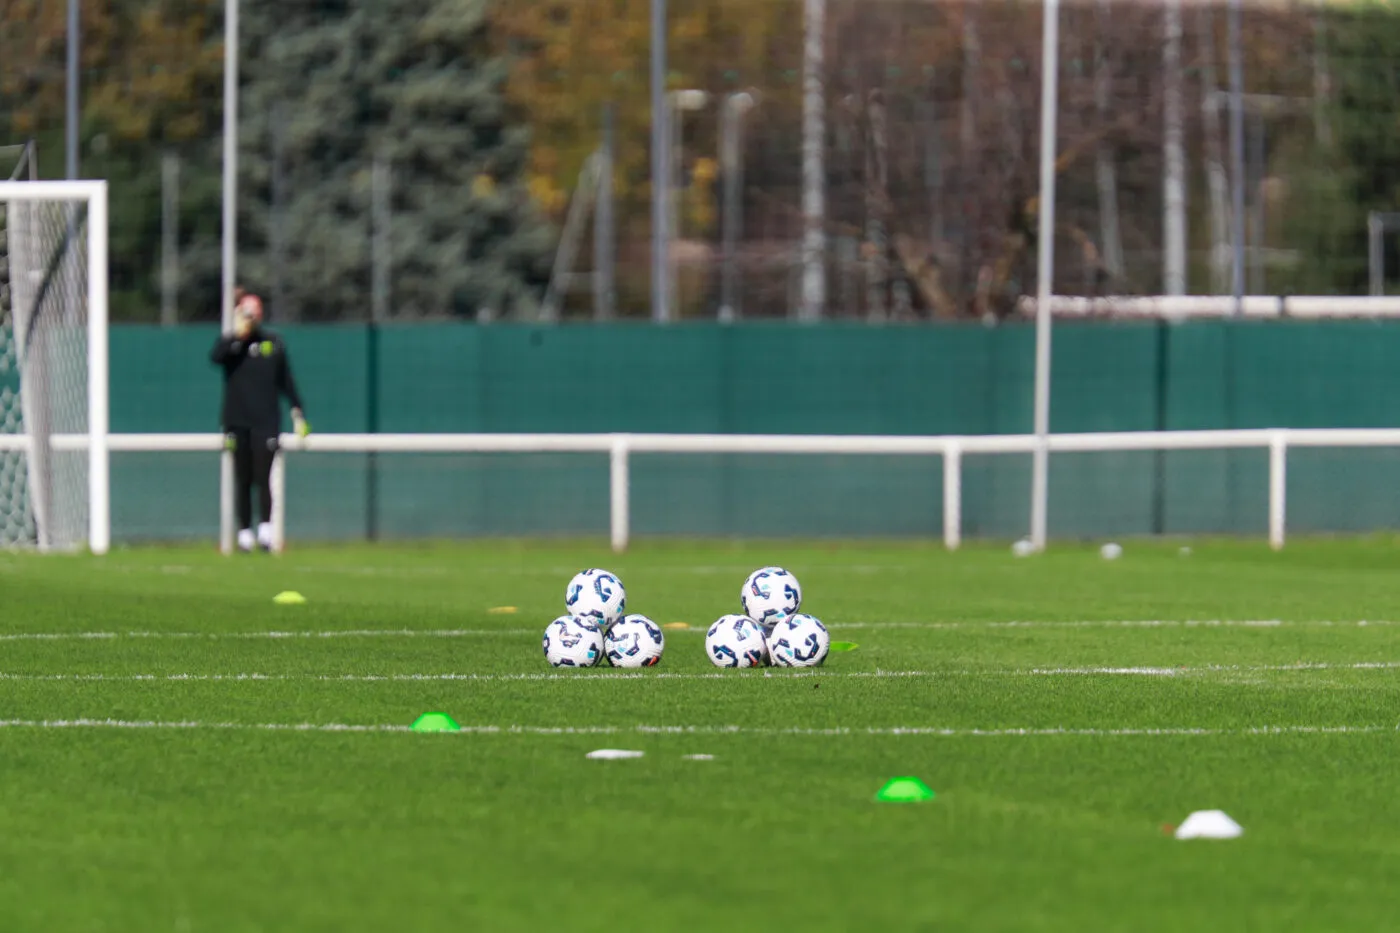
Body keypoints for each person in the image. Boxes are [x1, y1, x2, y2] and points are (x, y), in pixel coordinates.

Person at [210, 287, 310, 552]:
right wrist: (236, 335)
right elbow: (216, 357)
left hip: (265, 422)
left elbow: (286, 381)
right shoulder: (232, 345)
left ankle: (265, 531)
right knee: (242, 478)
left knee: (263, 477)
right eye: (245, 312)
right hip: (236, 421)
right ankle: (244, 533)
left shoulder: (273, 344)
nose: (250, 317)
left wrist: (297, 411)